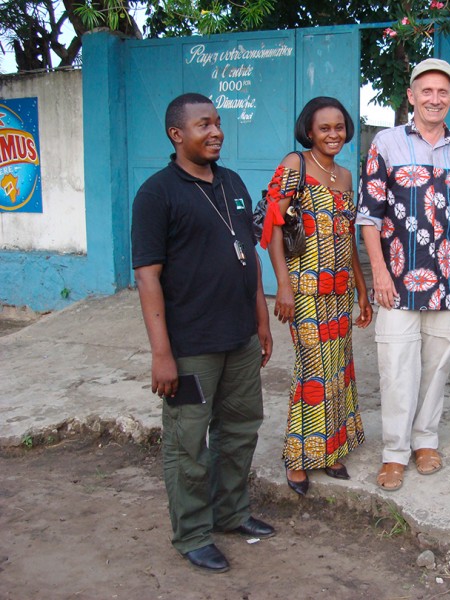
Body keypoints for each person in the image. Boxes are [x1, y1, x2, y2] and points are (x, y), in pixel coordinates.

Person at [131, 93, 275, 573]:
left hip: (239, 338)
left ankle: (230, 513)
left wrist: (260, 318)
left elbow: (248, 254)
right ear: (177, 134)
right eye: (203, 125)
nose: (215, 132)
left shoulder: (232, 182)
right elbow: (147, 275)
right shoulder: (157, 194)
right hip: (190, 347)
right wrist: (161, 354)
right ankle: (192, 533)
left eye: (217, 123)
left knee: (239, 431)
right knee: (187, 443)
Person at [357, 58, 450, 491]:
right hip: (398, 279)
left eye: (443, 92)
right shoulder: (386, 143)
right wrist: (379, 275)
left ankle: (425, 440)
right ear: (411, 96)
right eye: (426, 91)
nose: (434, 99)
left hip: (449, 278)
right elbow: (368, 216)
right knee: (395, 366)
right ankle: (394, 451)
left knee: (438, 364)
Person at [258, 97, 372, 496]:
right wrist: (283, 285)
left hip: (340, 290)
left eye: (339, 127)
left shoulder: (344, 175)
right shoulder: (296, 165)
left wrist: (363, 289)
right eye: (324, 128)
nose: (333, 134)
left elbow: (349, 235)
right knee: (312, 369)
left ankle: (329, 450)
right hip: (304, 288)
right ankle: (297, 457)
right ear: (309, 131)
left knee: (338, 370)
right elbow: (274, 225)